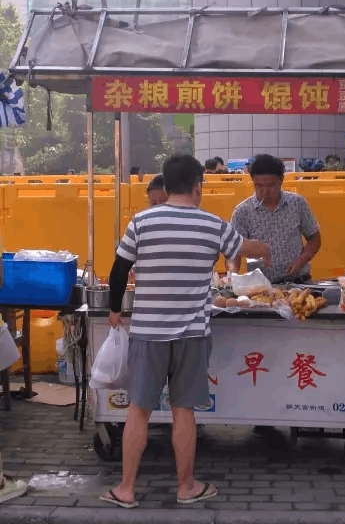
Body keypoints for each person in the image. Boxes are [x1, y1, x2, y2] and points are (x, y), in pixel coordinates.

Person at [102, 154, 270, 508]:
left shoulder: (141, 222)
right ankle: (186, 486)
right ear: (198, 185)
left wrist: (115, 310)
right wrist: (263, 249)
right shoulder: (213, 224)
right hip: (192, 333)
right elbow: (242, 252)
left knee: (139, 410)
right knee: (183, 411)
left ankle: (127, 489)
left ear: (164, 185)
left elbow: (118, 272)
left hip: (147, 333)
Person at [228, 153, 322, 284]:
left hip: (298, 282)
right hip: (260, 288)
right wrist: (233, 274)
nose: (264, 191)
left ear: (281, 180)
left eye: (270, 185)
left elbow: (314, 238)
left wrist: (300, 261)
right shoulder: (242, 211)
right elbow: (233, 249)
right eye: (258, 186)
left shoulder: (297, 203)